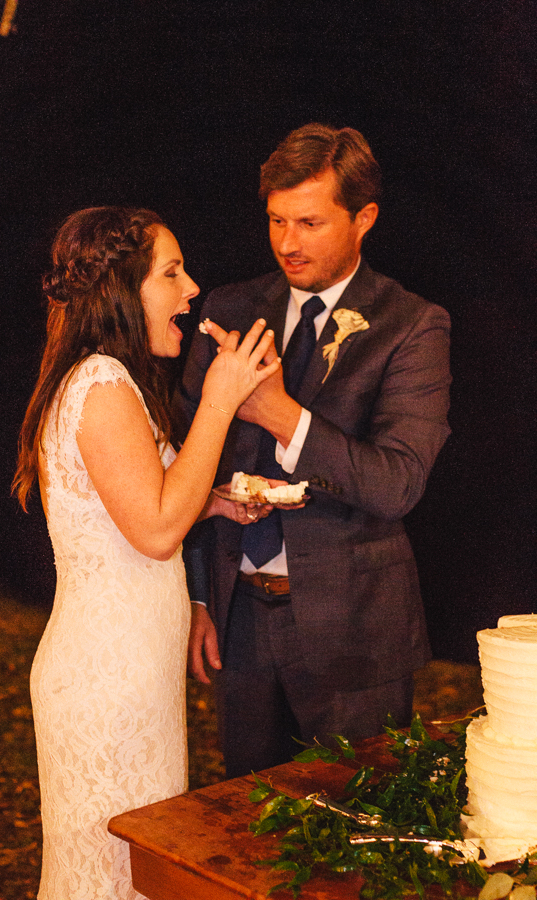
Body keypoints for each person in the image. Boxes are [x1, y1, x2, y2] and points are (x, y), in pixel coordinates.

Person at [12, 206, 280, 900]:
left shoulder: (107, 378)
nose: (191, 290)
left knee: (133, 877)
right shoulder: (101, 385)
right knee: (111, 883)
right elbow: (158, 532)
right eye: (171, 273)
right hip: (107, 689)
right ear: (122, 291)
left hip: (129, 678)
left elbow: (143, 505)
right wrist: (221, 399)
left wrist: (212, 500)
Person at [174, 124, 452, 778]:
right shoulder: (231, 308)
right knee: (244, 812)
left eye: (309, 223)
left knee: (358, 812)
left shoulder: (412, 324)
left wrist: (279, 414)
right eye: (276, 220)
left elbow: (397, 483)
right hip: (238, 619)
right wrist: (198, 598)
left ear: (364, 218)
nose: (287, 243)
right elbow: (185, 461)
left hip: (356, 628)